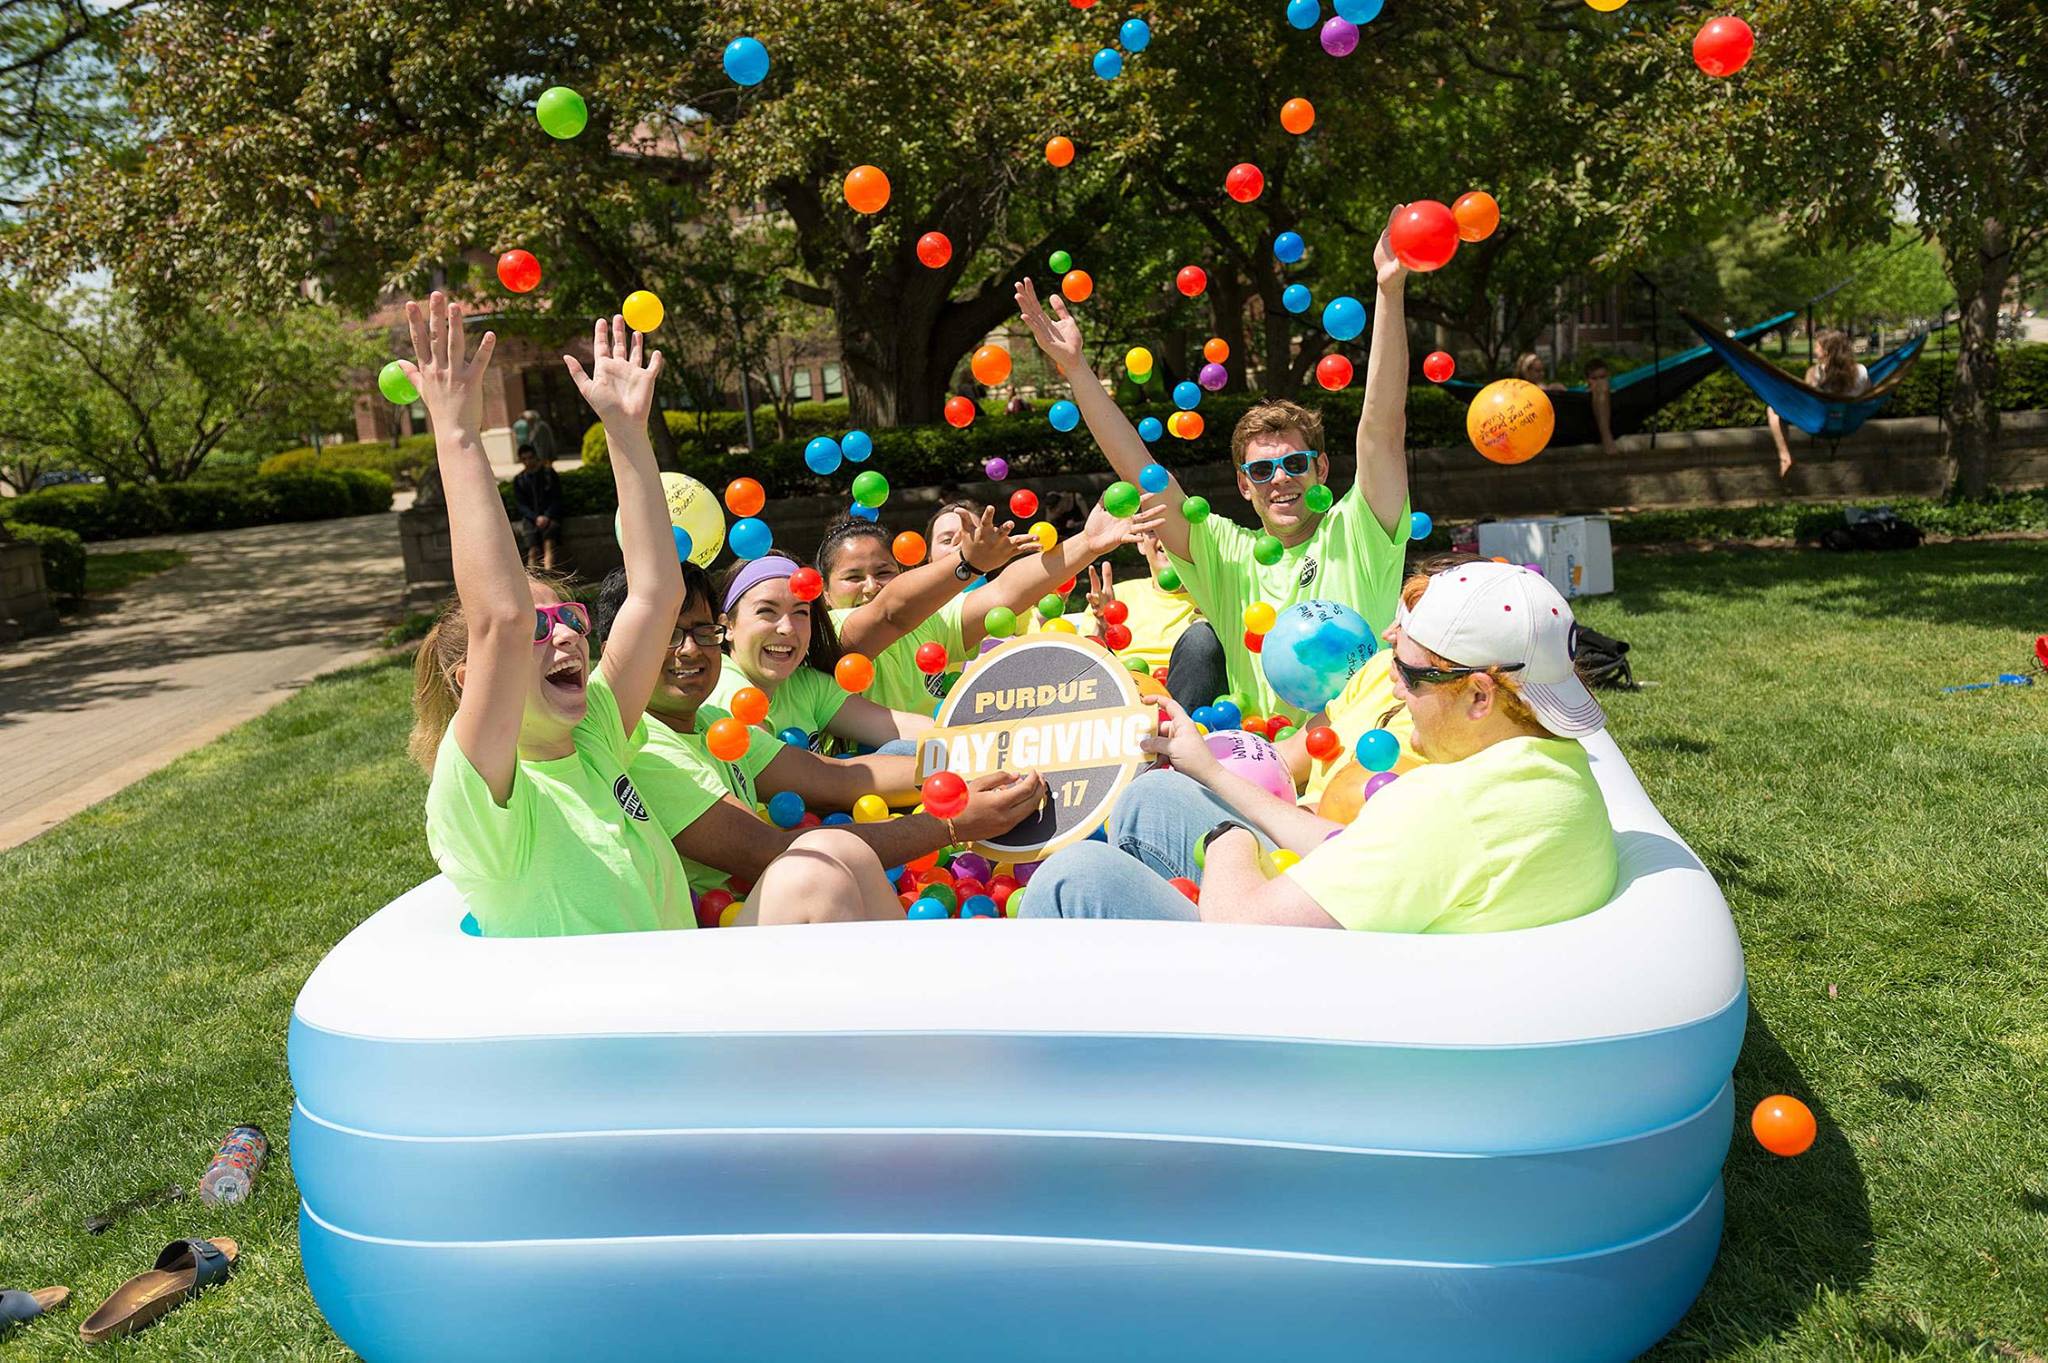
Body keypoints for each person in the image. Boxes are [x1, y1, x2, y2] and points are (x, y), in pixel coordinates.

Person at [1020, 561, 1617, 932]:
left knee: (1072, 875)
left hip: (1300, 999)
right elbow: (1359, 847)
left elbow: (1243, 924)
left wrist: (1225, 841)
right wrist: (1210, 771)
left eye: (1408, 674)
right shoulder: (1555, 768)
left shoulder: (1444, 809)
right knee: (1157, 794)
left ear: (1480, 696)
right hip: (1364, 938)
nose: (1393, 685)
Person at [1013, 207, 1414, 725]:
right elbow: (1142, 472)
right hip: (1265, 770)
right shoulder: (1225, 552)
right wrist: (1076, 369)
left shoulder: (1360, 530)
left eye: (1295, 463)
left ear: (1322, 469)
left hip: (1367, 761)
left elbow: (1382, 429)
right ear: (1244, 487)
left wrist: (1388, 289)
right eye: (1263, 472)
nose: (1281, 479)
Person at [408, 298, 689, 938]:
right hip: (599, 1034)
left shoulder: (592, 738)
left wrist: (625, 433)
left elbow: (655, 593)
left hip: (680, 1009)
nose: (564, 632)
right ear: (468, 681)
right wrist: (456, 433)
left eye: (568, 616)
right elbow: (501, 620)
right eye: (542, 627)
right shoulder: (488, 802)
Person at [593, 563, 1045, 922]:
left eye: (701, 632)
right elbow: (768, 853)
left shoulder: (713, 722)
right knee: (817, 868)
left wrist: (994, 754)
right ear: (620, 645)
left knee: (839, 850)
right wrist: (948, 825)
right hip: (712, 943)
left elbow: (837, 776)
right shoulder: (643, 747)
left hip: (761, 918)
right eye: (668, 635)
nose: (690, 650)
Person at [817, 501, 1164, 715]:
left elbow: (1004, 593)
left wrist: (1087, 544)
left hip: (944, 768)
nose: (871, 586)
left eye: (883, 572)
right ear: (826, 594)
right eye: (852, 577)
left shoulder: (929, 621)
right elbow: (889, 614)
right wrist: (966, 562)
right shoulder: (826, 632)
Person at [711, 554, 935, 751]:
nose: (787, 628)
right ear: (728, 625)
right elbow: (788, 776)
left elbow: (896, 727)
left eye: (800, 612)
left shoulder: (806, 685)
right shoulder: (726, 685)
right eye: (767, 611)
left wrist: (963, 738)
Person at [1080, 529, 1216, 711]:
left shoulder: (1215, 599)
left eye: (1173, 527)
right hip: (1129, 701)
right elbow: (1081, 672)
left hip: (1192, 708)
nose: (1166, 536)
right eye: (1153, 531)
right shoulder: (1113, 599)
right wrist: (1102, 630)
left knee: (1201, 637)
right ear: (1140, 543)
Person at [1769, 329, 1868, 478]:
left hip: (1819, 422)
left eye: (1817, 346)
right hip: (1847, 422)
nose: (1815, 350)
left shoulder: (1815, 373)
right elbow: (1868, 397)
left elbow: (1806, 400)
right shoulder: (1862, 371)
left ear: (1827, 351)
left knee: (1773, 409)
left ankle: (1784, 456)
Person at [511, 443, 563, 571]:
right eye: (524, 459)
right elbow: (521, 505)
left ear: (535, 457)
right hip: (531, 519)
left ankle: (549, 573)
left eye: (530, 458)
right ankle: (532, 579)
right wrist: (535, 518)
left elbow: (557, 497)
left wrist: (547, 516)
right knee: (532, 549)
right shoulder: (519, 480)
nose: (528, 462)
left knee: (549, 544)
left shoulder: (548, 474)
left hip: (550, 517)